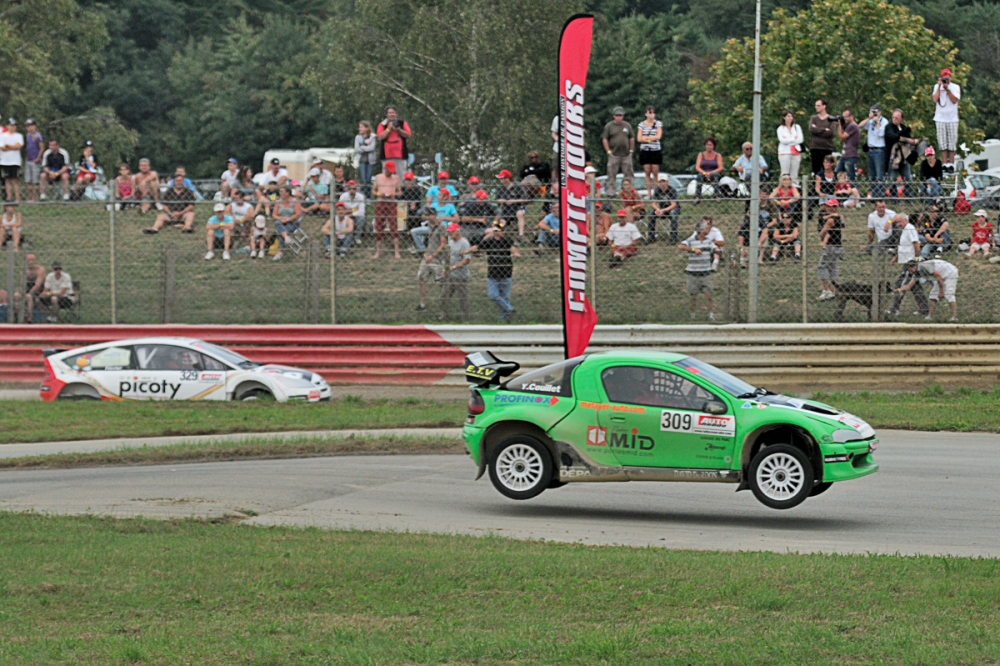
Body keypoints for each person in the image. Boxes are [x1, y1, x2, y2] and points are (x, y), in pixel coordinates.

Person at [468, 219, 521, 321]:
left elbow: (512, 248)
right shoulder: (489, 241)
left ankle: (502, 319)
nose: (501, 233)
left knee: (505, 297)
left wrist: (515, 253)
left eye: (502, 231)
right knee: (493, 295)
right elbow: (478, 247)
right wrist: (467, 250)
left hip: (506, 272)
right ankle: (509, 309)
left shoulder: (507, 240)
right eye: (498, 231)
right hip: (492, 273)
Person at [886, 214, 927, 316]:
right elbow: (903, 247)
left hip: (910, 263)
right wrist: (895, 258)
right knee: (915, 286)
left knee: (901, 284)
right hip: (906, 261)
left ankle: (894, 309)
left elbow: (916, 245)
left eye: (900, 222)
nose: (898, 224)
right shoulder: (905, 230)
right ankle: (924, 308)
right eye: (897, 222)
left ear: (905, 220)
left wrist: (916, 260)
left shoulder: (910, 229)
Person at [679, 221, 715, 321]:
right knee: (693, 296)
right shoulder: (691, 240)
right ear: (700, 230)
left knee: (708, 295)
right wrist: (693, 250)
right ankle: (692, 316)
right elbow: (681, 246)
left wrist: (717, 251)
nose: (708, 230)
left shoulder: (708, 241)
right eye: (706, 228)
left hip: (705, 272)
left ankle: (711, 315)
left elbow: (714, 248)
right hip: (693, 273)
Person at [414, 209, 447, 311]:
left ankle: (443, 305)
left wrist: (433, 255)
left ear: (435, 215)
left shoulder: (442, 226)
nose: (427, 217)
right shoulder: (429, 226)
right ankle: (422, 304)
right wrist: (426, 254)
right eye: (425, 215)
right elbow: (430, 241)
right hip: (428, 256)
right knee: (421, 279)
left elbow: (443, 243)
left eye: (428, 215)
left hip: (438, 258)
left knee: (441, 282)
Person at [885, 109, 920, 199]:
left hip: (904, 158)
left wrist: (913, 140)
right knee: (892, 180)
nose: (894, 119)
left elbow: (910, 139)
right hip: (893, 158)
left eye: (897, 118)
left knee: (908, 179)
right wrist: (909, 140)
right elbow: (893, 136)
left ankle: (909, 200)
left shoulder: (905, 128)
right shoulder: (889, 127)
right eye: (893, 117)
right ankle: (893, 199)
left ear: (901, 119)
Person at [372, 161, 402, 259]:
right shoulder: (378, 177)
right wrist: (378, 194)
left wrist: (394, 195)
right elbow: (373, 191)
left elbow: (399, 192)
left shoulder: (396, 178)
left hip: (391, 203)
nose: (391, 173)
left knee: (393, 225)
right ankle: (378, 251)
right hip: (381, 202)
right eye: (389, 171)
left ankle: (396, 251)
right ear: (385, 169)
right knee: (379, 225)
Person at [816, 199, 844, 302]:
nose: (827, 208)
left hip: (830, 246)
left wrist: (821, 236)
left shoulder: (830, 220)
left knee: (821, 266)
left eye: (830, 206)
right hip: (837, 246)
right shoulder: (837, 218)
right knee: (833, 267)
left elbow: (823, 232)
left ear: (833, 208)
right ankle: (835, 291)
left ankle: (826, 290)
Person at [441, 223, 470, 321]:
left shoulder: (464, 243)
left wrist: (454, 267)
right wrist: (445, 269)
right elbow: (449, 257)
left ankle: (466, 317)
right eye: (449, 232)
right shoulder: (451, 242)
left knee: (463, 298)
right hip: (450, 275)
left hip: (461, 276)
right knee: (444, 295)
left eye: (451, 232)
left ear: (457, 232)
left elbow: (467, 260)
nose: (449, 234)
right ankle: (444, 316)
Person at [858, 105, 889, 198]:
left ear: (879, 112)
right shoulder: (870, 121)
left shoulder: (884, 121)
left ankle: (881, 195)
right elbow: (860, 126)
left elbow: (881, 133)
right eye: (872, 112)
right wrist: (869, 118)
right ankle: (874, 195)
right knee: (872, 176)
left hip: (879, 151)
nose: (873, 114)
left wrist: (877, 121)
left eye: (875, 112)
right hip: (870, 150)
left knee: (880, 175)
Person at [933, 68, 961, 168]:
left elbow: (954, 100)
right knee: (942, 142)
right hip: (940, 118)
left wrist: (947, 89)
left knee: (952, 141)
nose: (946, 79)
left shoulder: (955, 87)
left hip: (952, 118)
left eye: (947, 78)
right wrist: (940, 87)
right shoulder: (937, 86)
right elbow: (935, 99)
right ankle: (945, 163)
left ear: (950, 77)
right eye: (944, 78)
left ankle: (951, 164)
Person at [601, 106, 634, 188]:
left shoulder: (627, 125)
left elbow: (631, 137)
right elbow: (605, 138)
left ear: (623, 116)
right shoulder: (609, 126)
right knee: (611, 174)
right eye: (617, 115)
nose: (619, 117)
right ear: (613, 116)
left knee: (628, 174)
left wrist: (631, 150)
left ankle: (629, 192)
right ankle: (611, 193)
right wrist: (608, 151)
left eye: (620, 115)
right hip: (614, 154)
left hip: (626, 154)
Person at [271, 186, 303, 262]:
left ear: (288, 192)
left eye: (282, 191)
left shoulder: (295, 201)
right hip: (281, 222)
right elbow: (274, 215)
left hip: (293, 222)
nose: (280, 193)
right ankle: (286, 238)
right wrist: (281, 218)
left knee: (281, 230)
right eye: (280, 191)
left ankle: (280, 251)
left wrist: (288, 219)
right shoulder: (278, 202)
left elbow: (298, 214)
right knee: (278, 223)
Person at [376, 106, 412, 175]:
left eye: (393, 112)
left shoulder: (402, 123)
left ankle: (401, 186)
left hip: (400, 155)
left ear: (396, 114)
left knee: (401, 175)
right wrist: (389, 129)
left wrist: (399, 130)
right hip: (386, 155)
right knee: (386, 175)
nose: (392, 114)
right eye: (389, 113)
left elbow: (408, 135)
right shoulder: (382, 124)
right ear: (386, 115)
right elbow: (380, 137)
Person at [494, 169, 527, 238]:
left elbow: (525, 199)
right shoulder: (500, 187)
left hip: (518, 206)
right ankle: (500, 236)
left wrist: (513, 201)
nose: (500, 180)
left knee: (519, 214)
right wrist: (502, 200)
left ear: (507, 179)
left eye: (501, 178)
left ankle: (521, 234)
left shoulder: (518, 185)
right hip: (506, 208)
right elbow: (496, 200)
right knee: (502, 221)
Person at [809, 99, 838, 176]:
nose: (816, 107)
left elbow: (831, 132)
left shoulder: (831, 119)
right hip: (815, 147)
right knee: (816, 170)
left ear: (824, 106)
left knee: (827, 169)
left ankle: (826, 187)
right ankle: (815, 187)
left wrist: (817, 129)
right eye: (816, 105)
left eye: (818, 105)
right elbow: (812, 130)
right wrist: (824, 129)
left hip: (826, 148)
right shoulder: (814, 118)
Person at [14, 253, 45, 323]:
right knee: (16, 295)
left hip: (38, 289)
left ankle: (29, 317)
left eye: (33, 260)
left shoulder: (40, 270)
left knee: (29, 297)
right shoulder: (24, 270)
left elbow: (37, 285)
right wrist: (19, 292)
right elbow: (21, 284)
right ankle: (18, 314)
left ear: (35, 261)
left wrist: (29, 293)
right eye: (29, 260)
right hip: (27, 287)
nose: (31, 262)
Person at [649, 173, 680, 244]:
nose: (662, 183)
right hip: (662, 209)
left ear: (667, 182)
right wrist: (657, 209)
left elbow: (674, 205)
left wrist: (663, 210)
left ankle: (673, 237)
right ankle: (651, 236)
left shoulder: (672, 190)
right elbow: (653, 203)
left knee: (673, 213)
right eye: (660, 182)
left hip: (673, 209)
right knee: (651, 212)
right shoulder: (657, 190)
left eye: (664, 181)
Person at [636, 106, 663, 184]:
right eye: (650, 113)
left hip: (655, 150)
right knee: (647, 172)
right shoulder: (641, 124)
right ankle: (649, 193)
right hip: (645, 150)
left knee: (655, 171)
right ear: (646, 114)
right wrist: (651, 138)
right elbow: (639, 138)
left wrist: (646, 138)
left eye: (653, 112)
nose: (652, 114)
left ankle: (655, 192)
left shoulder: (658, 123)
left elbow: (658, 136)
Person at [0, 118, 24, 202]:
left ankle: (17, 198)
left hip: (15, 161)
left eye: (14, 126)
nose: (12, 127)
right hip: (5, 161)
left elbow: (19, 146)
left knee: (15, 180)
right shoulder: (2, 136)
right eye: (11, 125)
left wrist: (9, 146)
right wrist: (13, 147)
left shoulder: (19, 136)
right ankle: (9, 198)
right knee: (7, 180)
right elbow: (2, 147)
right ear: (7, 126)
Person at [776, 110, 804, 182]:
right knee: (785, 174)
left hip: (796, 152)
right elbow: (782, 140)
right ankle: (783, 191)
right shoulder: (780, 128)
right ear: (784, 117)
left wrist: (788, 140)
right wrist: (793, 139)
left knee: (794, 174)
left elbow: (800, 139)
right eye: (788, 116)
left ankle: (794, 190)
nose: (790, 118)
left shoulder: (797, 127)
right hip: (784, 152)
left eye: (791, 116)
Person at [693, 137, 723, 202]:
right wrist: (705, 173)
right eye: (707, 145)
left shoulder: (718, 155)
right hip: (703, 173)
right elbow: (697, 167)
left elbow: (720, 167)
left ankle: (717, 195)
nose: (708, 146)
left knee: (715, 175)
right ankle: (697, 196)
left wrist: (710, 173)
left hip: (714, 173)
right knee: (699, 176)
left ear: (713, 146)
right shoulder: (701, 154)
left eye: (710, 145)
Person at [835, 109, 860, 185]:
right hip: (845, 155)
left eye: (846, 117)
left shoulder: (852, 125)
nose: (844, 118)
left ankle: (855, 193)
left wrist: (839, 125)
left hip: (850, 155)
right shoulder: (849, 126)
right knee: (836, 174)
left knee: (850, 177)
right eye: (843, 117)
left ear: (851, 116)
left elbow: (841, 137)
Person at [22, 120, 43, 201]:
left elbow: (41, 148)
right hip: (28, 159)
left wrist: (38, 158)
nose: (29, 128)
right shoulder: (27, 135)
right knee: (28, 179)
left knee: (35, 180)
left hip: (35, 160)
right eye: (28, 126)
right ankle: (29, 196)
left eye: (31, 125)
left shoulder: (37, 136)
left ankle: (34, 196)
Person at [355, 120, 377, 193]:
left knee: (368, 179)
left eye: (361, 127)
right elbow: (357, 149)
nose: (360, 129)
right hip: (362, 160)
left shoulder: (372, 137)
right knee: (363, 179)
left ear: (366, 128)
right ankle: (362, 194)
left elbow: (372, 148)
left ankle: (368, 195)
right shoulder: (358, 137)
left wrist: (362, 147)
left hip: (370, 161)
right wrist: (366, 147)